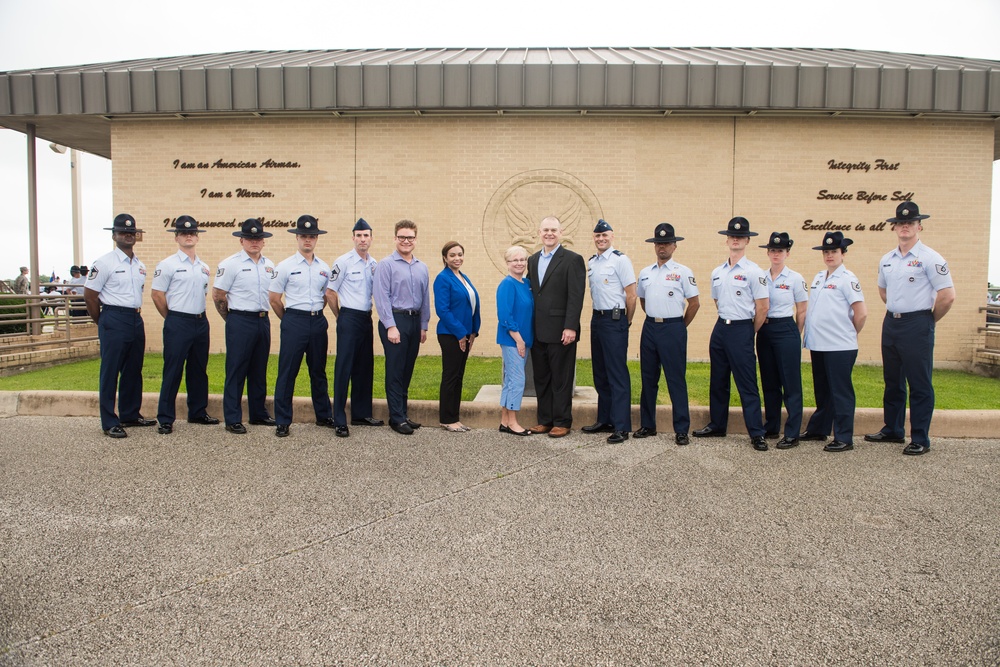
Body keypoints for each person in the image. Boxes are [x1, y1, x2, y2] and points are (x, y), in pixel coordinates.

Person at [865, 202, 955, 456]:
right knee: (893, 381)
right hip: (892, 322)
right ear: (895, 227)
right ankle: (893, 429)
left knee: (919, 383)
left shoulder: (930, 258)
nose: (905, 226)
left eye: (910, 222)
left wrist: (927, 320)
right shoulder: (887, 259)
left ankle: (920, 438)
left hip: (918, 323)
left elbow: (947, 295)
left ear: (919, 226)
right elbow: (883, 291)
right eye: (901, 223)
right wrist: (898, 311)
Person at [694, 216, 770, 451]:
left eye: (740, 236)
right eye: (732, 236)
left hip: (741, 329)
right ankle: (717, 425)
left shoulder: (754, 271)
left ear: (747, 240)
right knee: (718, 380)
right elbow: (717, 300)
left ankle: (756, 432)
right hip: (721, 329)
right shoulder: (718, 271)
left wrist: (748, 331)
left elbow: (763, 307)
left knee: (746, 383)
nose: (735, 239)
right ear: (727, 239)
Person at [83, 214, 155, 438]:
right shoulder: (104, 263)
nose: (128, 235)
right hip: (113, 317)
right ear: (114, 235)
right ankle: (109, 421)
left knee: (134, 370)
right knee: (110, 371)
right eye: (123, 232)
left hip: (135, 318)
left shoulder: (140, 265)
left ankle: (130, 414)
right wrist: (103, 321)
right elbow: (90, 296)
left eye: (131, 232)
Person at [269, 214, 335, 438]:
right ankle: (283, 420)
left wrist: (315, 313)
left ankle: (323, 415)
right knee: (287, 372)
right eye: (304, 236)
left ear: (316, 239)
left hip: (317, 321)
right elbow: (274, 298)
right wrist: (288, 319)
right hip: (294, 320)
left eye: (312, 236)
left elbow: (326, 295)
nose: (308, 240)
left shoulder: (324, 268)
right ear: (297, 238)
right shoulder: (285, 266)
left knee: (318, 371)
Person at [634, 222, 700, 445]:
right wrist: (655, 317)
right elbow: (642, 300)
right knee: (648, 379)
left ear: (674, 246)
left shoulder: (683, 272)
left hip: (673, 328)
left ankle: (681, 429)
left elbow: (694, 303)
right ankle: (648, 425)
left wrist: (680, 325)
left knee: (675, 379)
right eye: (658, 243)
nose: (662, 247)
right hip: (651, 327)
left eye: (666, 243)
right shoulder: (645, 273)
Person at [801, 231, 867, 452]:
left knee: (840, 392)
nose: (829, 255)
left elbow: (861, 313)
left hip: (839, 346)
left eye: (834, 251)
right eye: (826, 252)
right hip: (819, 344)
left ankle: (844, 437)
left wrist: (848, 333)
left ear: (843, 253)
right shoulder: (820, 277)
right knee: (823, 391)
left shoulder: (848, 279)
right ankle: (819, 429)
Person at [151, 215, 218, 435]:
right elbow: (157, 295)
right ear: (176, 237)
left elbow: (204, 293)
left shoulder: (204, 267)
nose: (188, 236)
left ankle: (197, 411)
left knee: (199, 369)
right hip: (178, 321)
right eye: (183, 233)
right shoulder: (167, 264)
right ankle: (165, 418)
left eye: (192, 233)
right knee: (173, 370)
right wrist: (171, 318)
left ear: (197, 237)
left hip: (200, 321)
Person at [212, 218, 277, 434]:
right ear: (241, 240)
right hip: (239, 320)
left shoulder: (269, 265)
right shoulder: (230, 264)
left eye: (258, 238)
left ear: (263, 241)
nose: (254, 242)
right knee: (236, 370)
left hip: (262, 320)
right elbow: (218, 295)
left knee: (259, 369)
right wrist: (231, 320)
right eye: (249, 238)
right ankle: (232, 418)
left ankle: (258, 414)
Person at [527, 216, 586, 438]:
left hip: (562, 330)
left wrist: (570, 326)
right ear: (539, 233)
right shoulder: (532, 260)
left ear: (560, 232)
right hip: (538, 330)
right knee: (541, 378)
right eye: (545, 230)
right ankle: (545, 420)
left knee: (561, 378)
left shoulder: (572, 259)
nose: (549, 233)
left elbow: (575, 296)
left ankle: (562, 421)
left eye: (553, 230)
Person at [326, 217, 383, 438]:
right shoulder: (343, 261)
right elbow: (330, 292)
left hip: (365, 319)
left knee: (364, 366)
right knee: (344, 368)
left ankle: (361, 413)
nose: (362, 239)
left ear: (371, 239)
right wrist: (340, 316)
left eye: (366, 235)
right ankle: (339, 419)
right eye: (358, 235)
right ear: (353, 238)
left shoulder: (374, 264)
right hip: (348, 317)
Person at [373, 219, 430, 435]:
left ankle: (403, 413)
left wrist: (423, 325)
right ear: (395, 238)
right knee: (395, 370)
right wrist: (390, 325)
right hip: (395, 321)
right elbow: (381, 297)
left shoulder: (421, 267)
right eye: (402, 237)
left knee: (407, 369)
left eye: (410, 237)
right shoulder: (386, 264)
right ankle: (396, 418)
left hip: (415, 322)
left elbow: (425, 298)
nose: (406, 241)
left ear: (415, 239)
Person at [582, 219, 636, 444]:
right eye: (597, 236)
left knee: (617, 374)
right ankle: (605, 419)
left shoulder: (620, 260)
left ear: (612, 236)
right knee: (600, 372)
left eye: (605, 235)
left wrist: (626, 321)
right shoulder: (592, 262)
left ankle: (622, 426)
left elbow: (631, 295)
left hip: (615, 321)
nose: (601, 239)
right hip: (597, 319)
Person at [756, 232, 809, 449]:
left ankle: (792, 432)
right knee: (769, 381)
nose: (776, 254)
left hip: (786, 328)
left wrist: (794, 333)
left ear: (787, 253)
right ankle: (771, 425)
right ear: (768, 252)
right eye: (773, 250)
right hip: (765, 329)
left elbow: (803, 310)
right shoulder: (760, 276)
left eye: (781, 250)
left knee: (790, 383)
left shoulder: (795, 278)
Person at [434, 241, 481, 432]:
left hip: (466, 335)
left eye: (460, 254)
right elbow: (442, 310)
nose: (457, 258)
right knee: (450, 377)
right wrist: (461, 333)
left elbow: (473, 304)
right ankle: (446, 418)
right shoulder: (443, 278)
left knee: (459, 377)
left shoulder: (463, 277)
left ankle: (455, 417)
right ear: (445, 258)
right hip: (450, 334)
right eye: (452, 255)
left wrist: (474, 331)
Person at [496, 245, 534, 436]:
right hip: (512, 340)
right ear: (507, 263)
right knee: (518, 381)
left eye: (522, 260)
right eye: (514, 260)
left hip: (524, 340)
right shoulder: (507, 284)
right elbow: (505, 316)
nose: (519, 263)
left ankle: (504, 421)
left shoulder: (526, 283)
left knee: (510, 381)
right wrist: (519, 340)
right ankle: (513, 422)